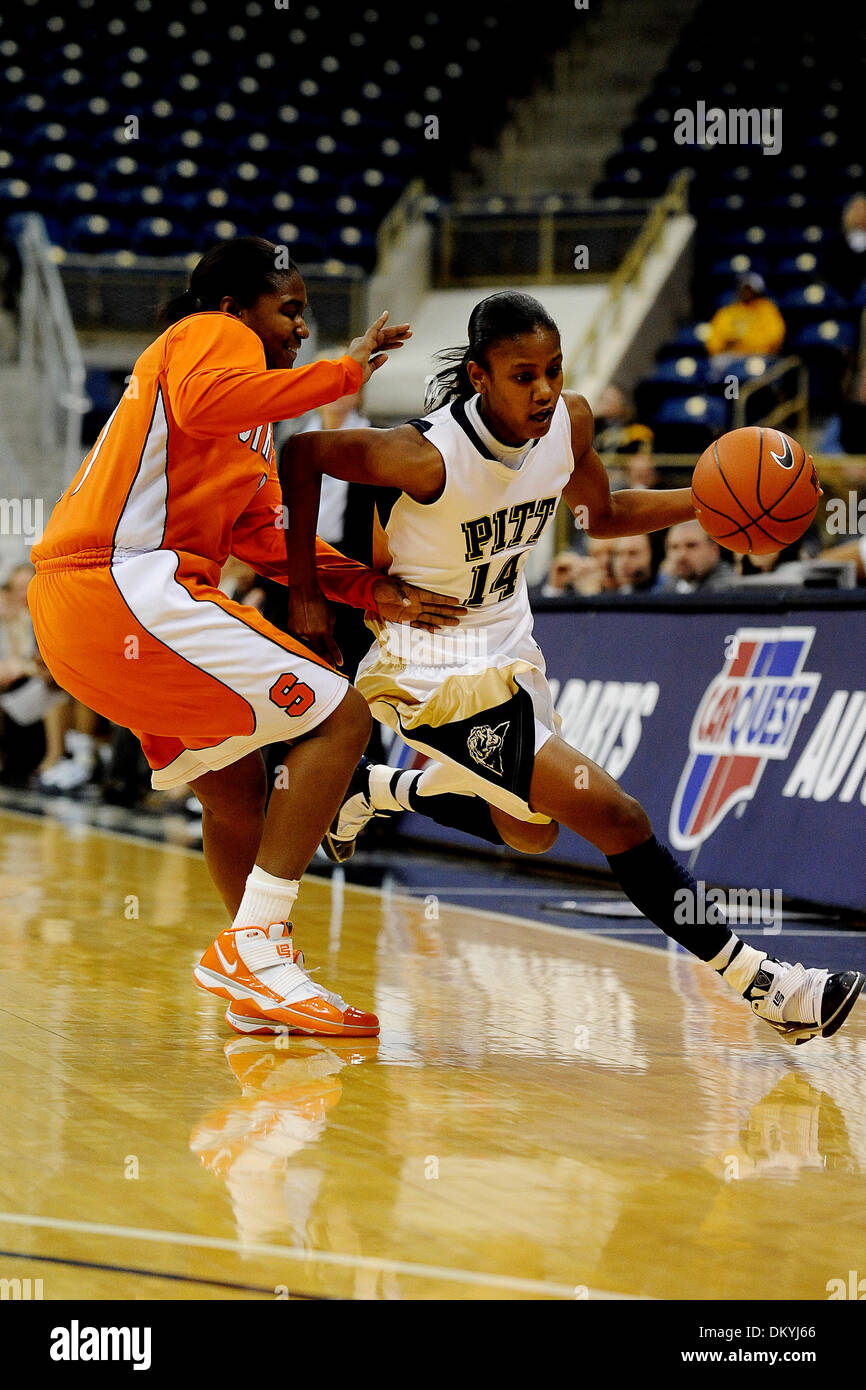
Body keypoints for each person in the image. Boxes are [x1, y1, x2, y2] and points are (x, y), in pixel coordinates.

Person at [281, 289, 864, 1046]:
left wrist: (708, 498)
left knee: (531, 833)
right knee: (613, 815)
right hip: (429, 664)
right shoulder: (421, 457)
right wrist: (308, 595)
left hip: (509, 641)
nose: (546, 389)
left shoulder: (570, 424)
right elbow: (300, 457)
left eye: (553, 369)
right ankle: (770, 986)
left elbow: (603, 517)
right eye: (523, 374)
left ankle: (375, 789)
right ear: (481, 378)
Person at [28, 235, 464, 1039]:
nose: (301, 327)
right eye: (290, 309)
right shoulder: (208, 336)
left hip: (81, 614)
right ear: (236, 307)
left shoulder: (251, 421)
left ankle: (262, 974)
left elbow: (265, 534)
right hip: (125, 580)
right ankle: (255, 943)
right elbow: (202, 403)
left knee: (232, 785)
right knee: (341, 719)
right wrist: (345, 371)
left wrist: (368, 588)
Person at [705, 273, 786, 359]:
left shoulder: (767, 309)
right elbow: (713, 342)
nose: (746, 292)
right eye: (743, 288)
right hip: (731, 357)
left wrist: (744, 342)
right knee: (717, 362)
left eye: (749, 289)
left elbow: (775, 338)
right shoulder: (727, 312)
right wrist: (726, 344)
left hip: (759, 356)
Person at [662, 519, 735, 592]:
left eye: (691, 546)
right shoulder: (666, 589)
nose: (681, 555)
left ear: (714, 550)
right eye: (674, 547)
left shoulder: (732, 591)